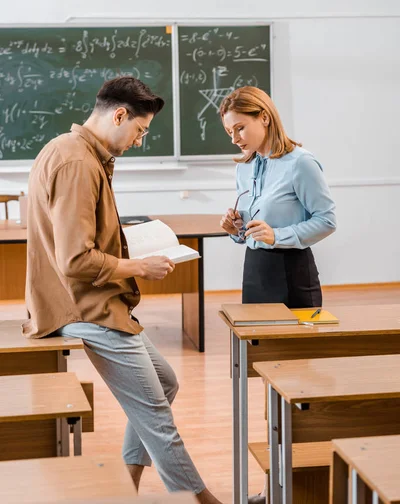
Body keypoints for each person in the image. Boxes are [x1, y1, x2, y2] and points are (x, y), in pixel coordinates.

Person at [23, 76, 223, 504]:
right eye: (140, 130)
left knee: (164, 383)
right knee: (155, 414)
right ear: (119, 115)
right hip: (83, 309)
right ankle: (204, 501)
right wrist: (139, 266)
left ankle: (125, 488)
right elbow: (75, 260)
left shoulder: (75, 152)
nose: (139, 140)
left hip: (95, 303)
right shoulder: (77, 162)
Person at [219, 86, 336, 503]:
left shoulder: (301, 163)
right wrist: (237, 228)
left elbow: (327, 220)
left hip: (295, 278)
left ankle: (298, 487)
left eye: (240, 128)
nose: (235, 138)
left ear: (264, 117)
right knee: (269, 382)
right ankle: (275, 489)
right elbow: (254, 231)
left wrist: (279, 234)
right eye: (230, 131)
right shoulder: (246, 167)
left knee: (299, 384)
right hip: (257, 277)